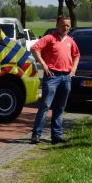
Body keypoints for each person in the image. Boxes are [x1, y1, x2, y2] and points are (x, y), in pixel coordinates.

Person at [30, 16, 79, 144]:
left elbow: (77, 55)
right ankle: (36, 135)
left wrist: (73, 70)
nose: (66, 28)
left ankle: (56, 136)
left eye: (68, 25)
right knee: (45, 106)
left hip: (66, 77)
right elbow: (34, 48)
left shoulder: (70, 40)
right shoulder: (49, 38)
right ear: (57, 25)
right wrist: (44, 65)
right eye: (63, 25)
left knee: (60, 108)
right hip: (52, 77)